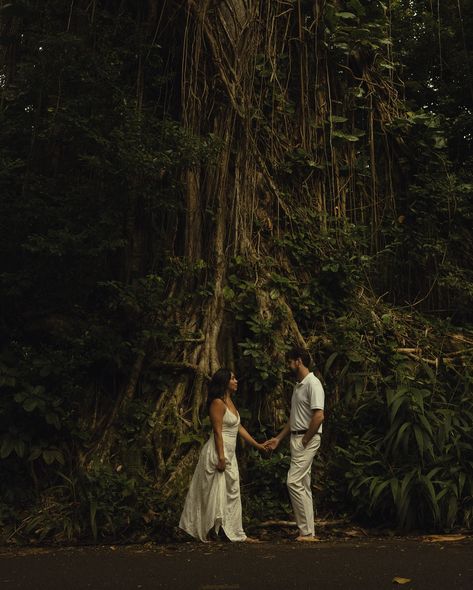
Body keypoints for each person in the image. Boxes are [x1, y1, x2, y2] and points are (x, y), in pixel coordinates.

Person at [179, 368, 266, 542]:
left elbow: (238, 427)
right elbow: (218, 432)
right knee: (213, 493)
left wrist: (258, 445)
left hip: (229, 453)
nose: (236, 381)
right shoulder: (217, 403)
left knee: (232, 492)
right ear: (225, 382)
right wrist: (221, 457)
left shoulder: (230, 403)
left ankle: (236, 532)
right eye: (233, 378)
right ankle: (209, 530)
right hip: (218, 452)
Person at [264, 347, 325, 542]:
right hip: (296, 438)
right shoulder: (299, 385)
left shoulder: (313, 384)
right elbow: (294, 418)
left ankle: (306, 531)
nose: (288, 365)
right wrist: (279, 438)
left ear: (298, 361)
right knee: (303, 484)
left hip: (307, 439)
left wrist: (306, 439)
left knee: (293, 481)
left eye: (290, 361)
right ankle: (308, 532)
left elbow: (319, 415)